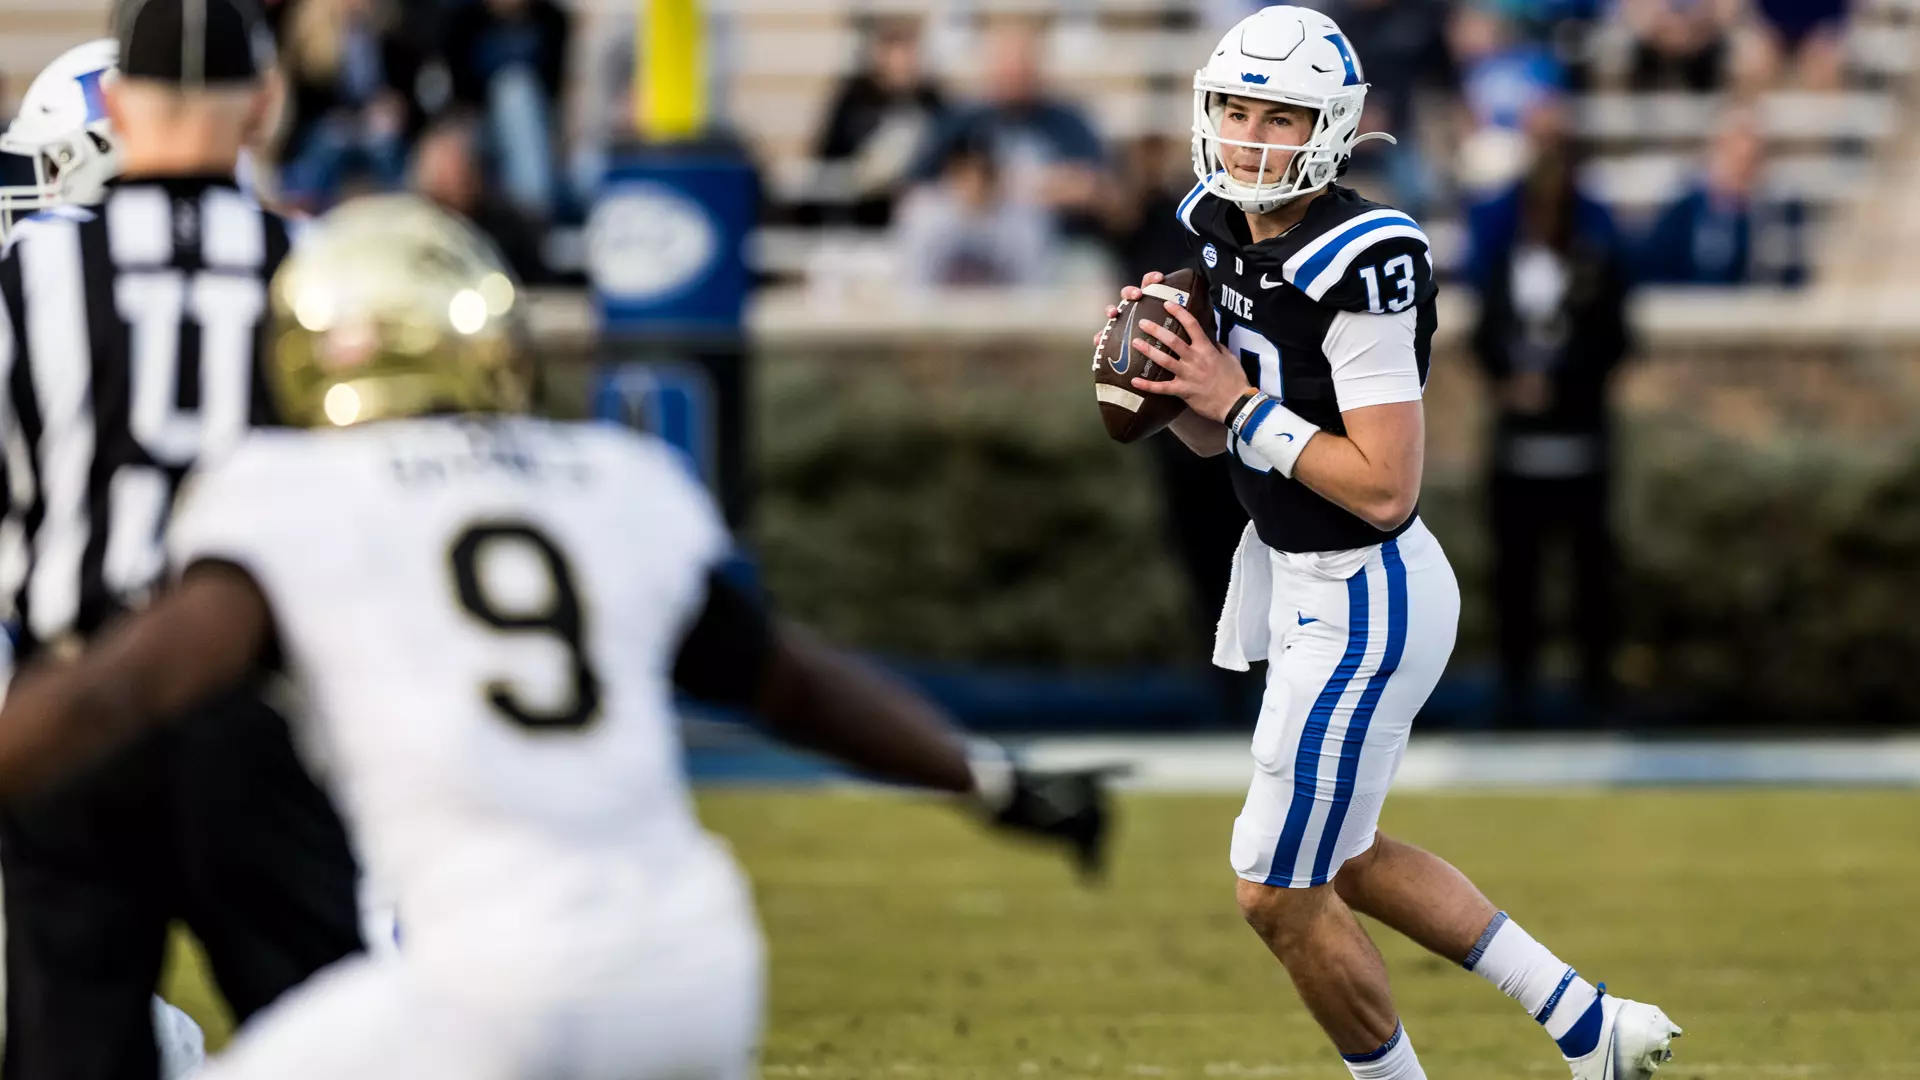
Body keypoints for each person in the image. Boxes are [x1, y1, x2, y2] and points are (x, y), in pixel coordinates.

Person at [0, 193, 1114, 1078]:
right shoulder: (612, 478)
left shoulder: (296, 492)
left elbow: (121, 695)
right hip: (696, 973)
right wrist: (989, 781)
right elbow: (793, 683)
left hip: (489, 987)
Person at [1098, 7, 1680, 1079]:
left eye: (1281, 116)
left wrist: (1228, 400)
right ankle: (1590, 1026)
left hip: (1364, 588)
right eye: (1235, 109)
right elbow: (1217, 435)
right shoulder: (1224, 230)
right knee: (1343, 858)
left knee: (1276, 892)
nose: (1249, 137)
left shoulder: (1368, 254)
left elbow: (1380, 485)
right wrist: (1174, 385)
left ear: (1333, 131)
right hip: (1308, 582)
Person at [0, 4, 366, 1077]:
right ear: (261, 107)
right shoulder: (319, 276)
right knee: (343, 1024)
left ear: (114, 118)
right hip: (263, 713)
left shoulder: (32, 289)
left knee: (66, 1040)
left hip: (72, 707)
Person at [1467, 119, 1632, 722]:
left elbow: (1616, 342)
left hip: (1580, 444)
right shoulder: (1505, 269)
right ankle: (1516, 691)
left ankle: (1595, 691)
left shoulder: (1597, 265)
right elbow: (1482, 337)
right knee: (1516, 574)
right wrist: (1511, 384)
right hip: (1517, 451)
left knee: (1589, 574)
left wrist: (1559, 386)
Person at [910, 15, 1104, 234]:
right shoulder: (961, 122)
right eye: (1006, 69)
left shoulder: (1068, 122)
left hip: (1057, 242)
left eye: (1021, 68)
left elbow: (1091, 186)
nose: (1013, 77)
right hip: (971, 241)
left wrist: (1005, 186)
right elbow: (922, 187)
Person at [1636, 109, 1807, 286]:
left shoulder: (1783, 214)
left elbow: (1792, 279)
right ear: (1717, 151)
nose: (1743, 171)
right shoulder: (1685, 211)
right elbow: (1659, 272)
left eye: (1752, 160)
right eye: (1736, 158)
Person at [811, 16, 947, 227]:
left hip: (913, 208)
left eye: (907, 53)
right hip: (859, 206)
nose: (901, 62)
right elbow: (828, 152)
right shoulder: (853, 97)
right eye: (894, 52)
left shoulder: (932, 100)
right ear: (879, 56)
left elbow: (946, 153)